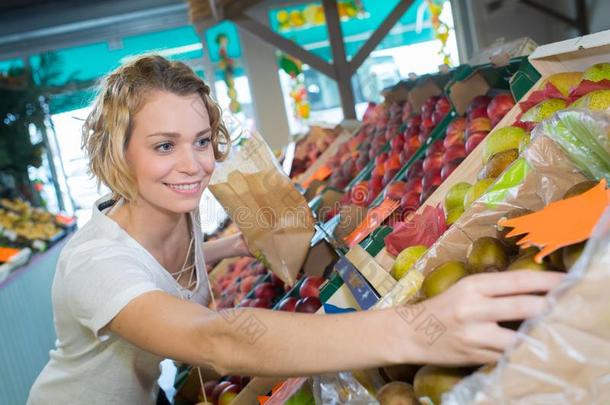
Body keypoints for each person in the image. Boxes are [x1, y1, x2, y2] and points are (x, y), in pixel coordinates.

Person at [28, 55, 563, 404]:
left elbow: (166, 271)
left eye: (202, 139)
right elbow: (214, 339)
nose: (193, 164)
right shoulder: (96, 265)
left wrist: (232, 246)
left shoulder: (173, 205)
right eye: (164, 145)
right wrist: (415, 325)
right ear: (117, 153)